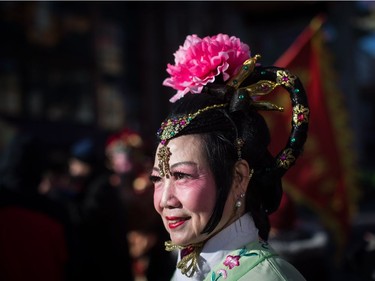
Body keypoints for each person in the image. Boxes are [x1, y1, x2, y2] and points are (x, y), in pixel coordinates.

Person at [149, 34, 310, 280]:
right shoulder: (190, 267)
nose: (165, 200)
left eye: (181, 175)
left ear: (238, 177)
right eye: (157, 179)